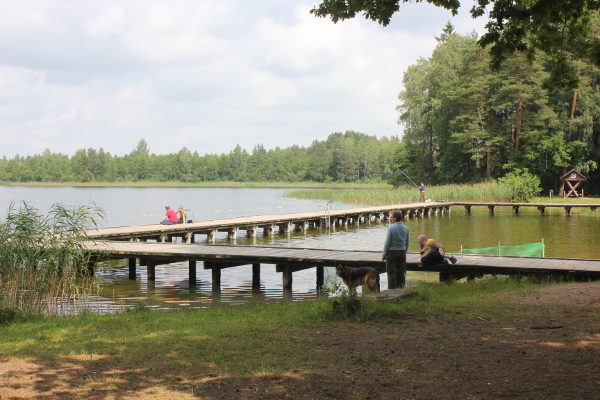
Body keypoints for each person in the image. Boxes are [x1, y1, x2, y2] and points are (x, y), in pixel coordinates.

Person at [381, 210, 410, 289]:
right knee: (401, 272)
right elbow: (407, 243)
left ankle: (392, 290)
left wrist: (384, 253)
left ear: (395, 218)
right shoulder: (406, 228)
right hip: (402, 252)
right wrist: (404, 251)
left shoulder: (391, 228)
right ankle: (401, 288)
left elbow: (387, 242)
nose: (391, 219)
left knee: (391, 272)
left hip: (392, 253)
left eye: (391, 217)